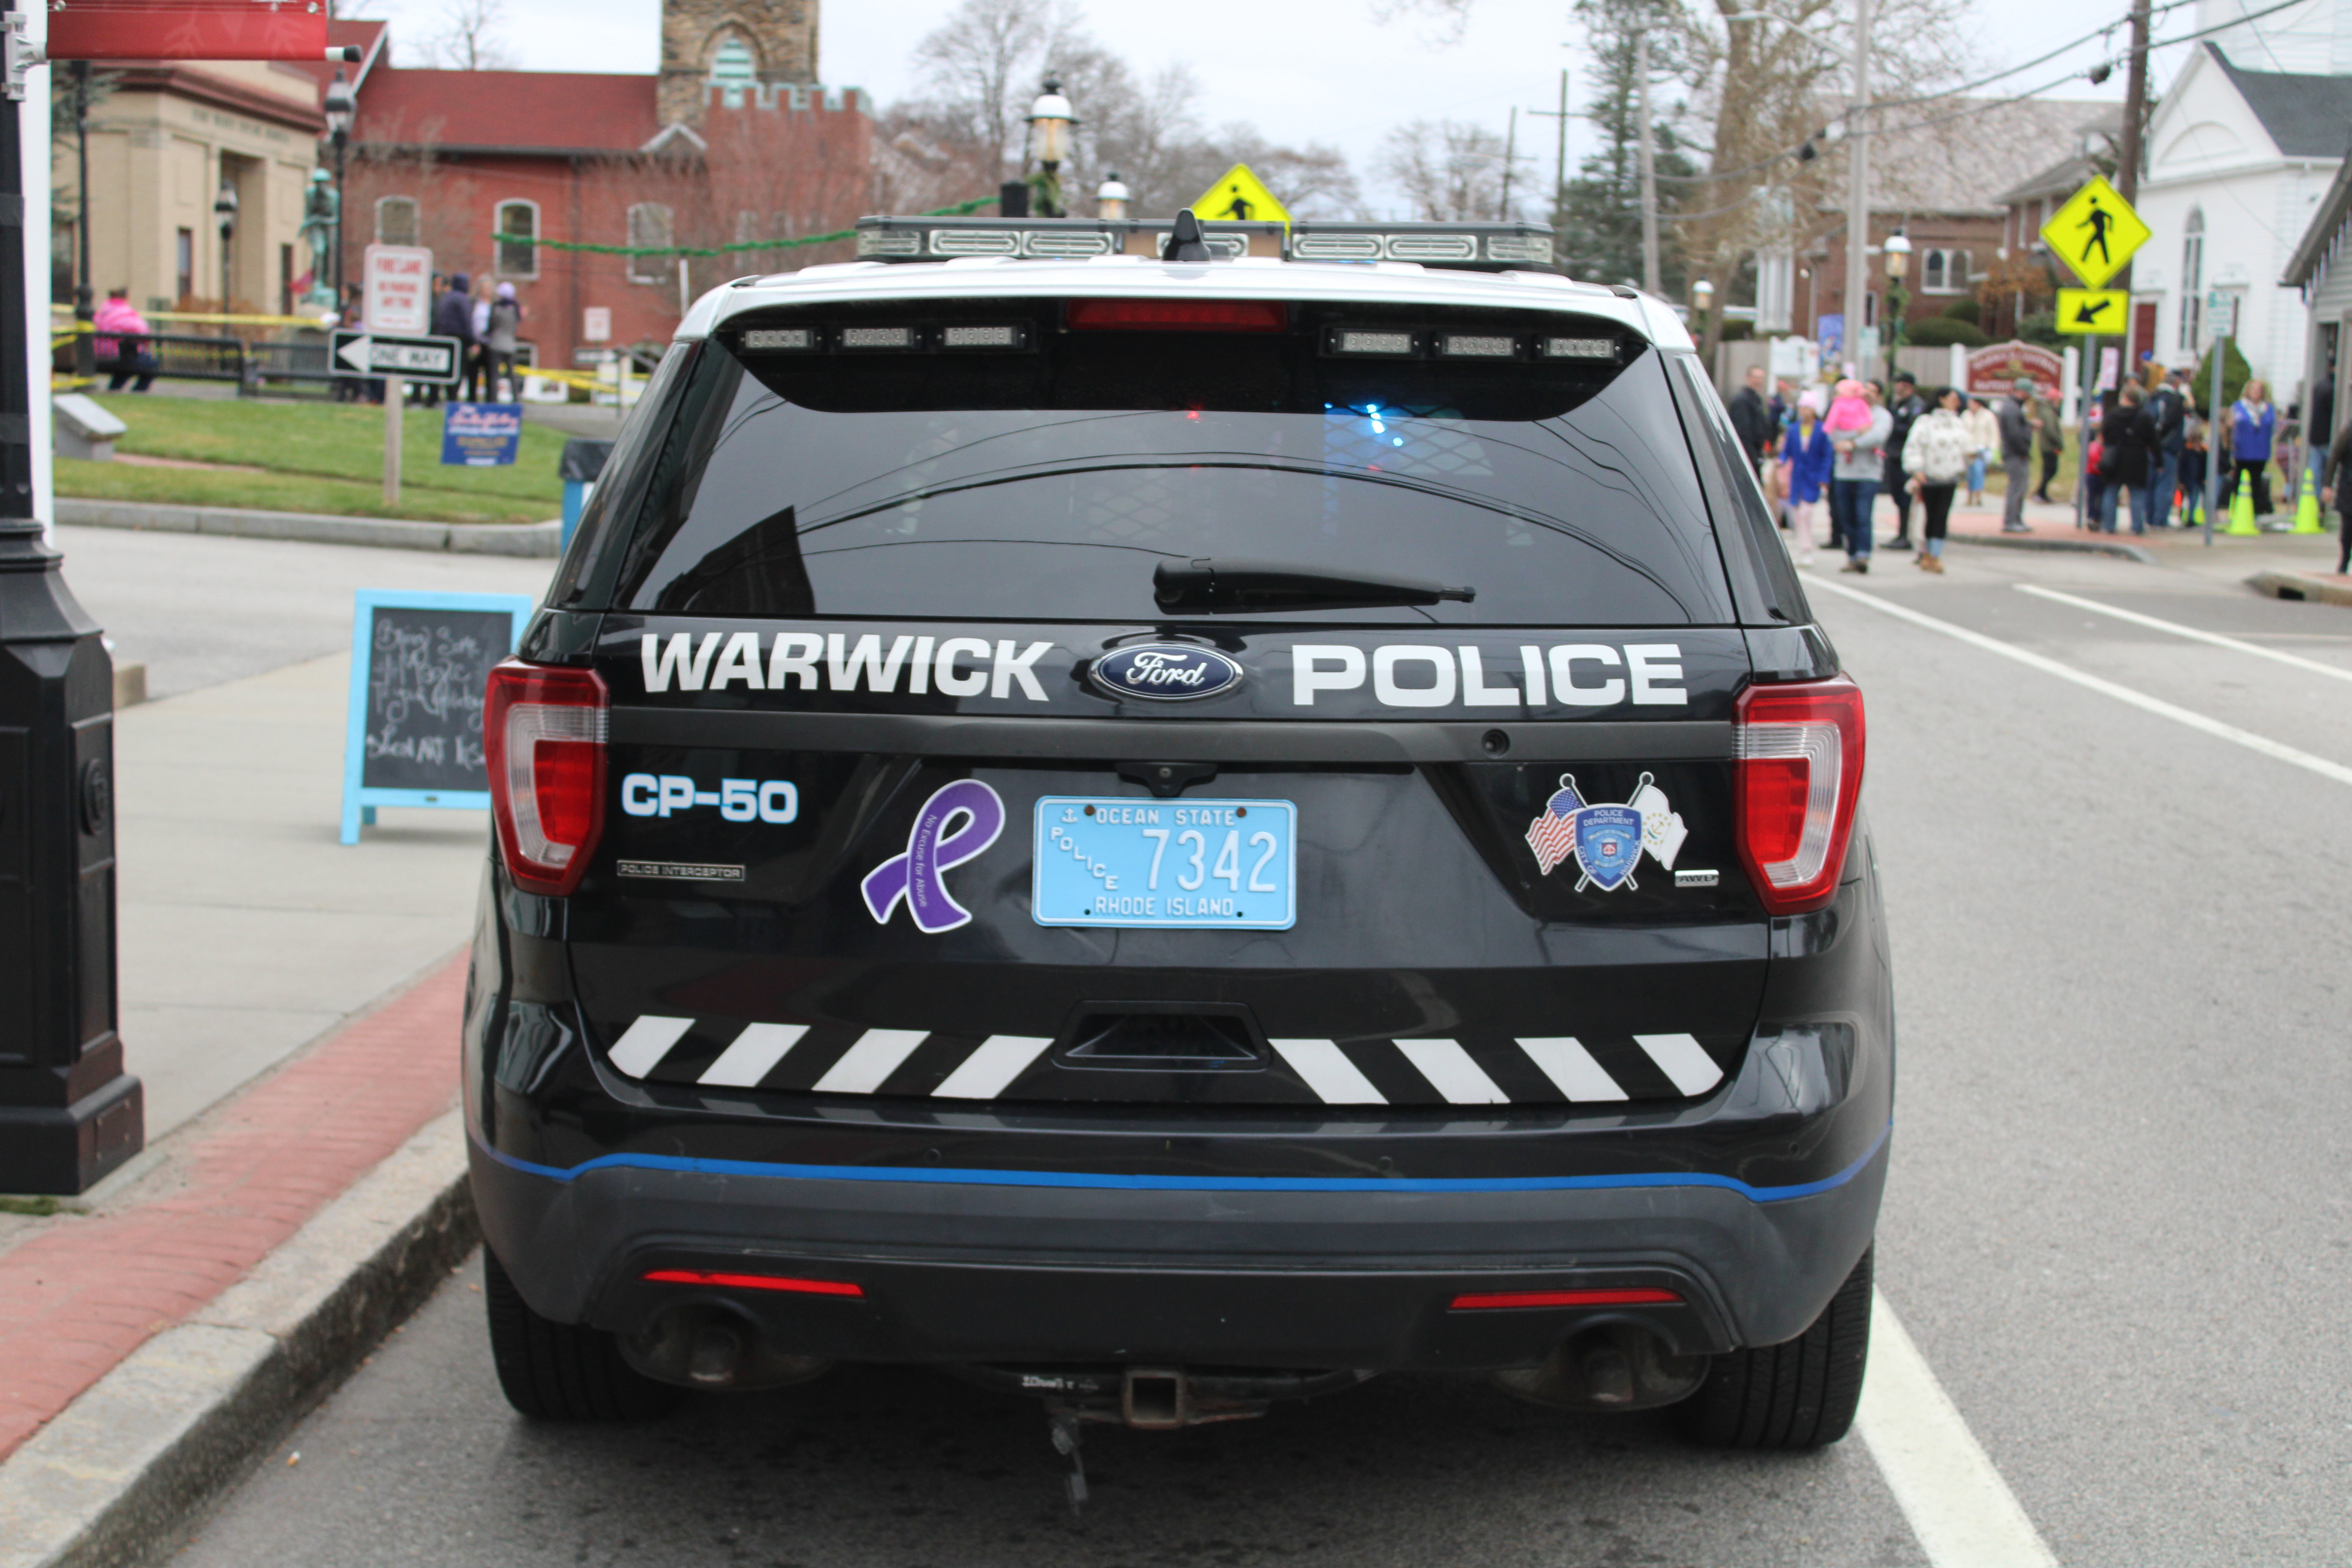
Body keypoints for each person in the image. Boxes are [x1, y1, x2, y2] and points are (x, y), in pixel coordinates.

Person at [1902, 385, 1971, 573]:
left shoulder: (1957, 423)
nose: (1957, 403)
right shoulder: (1926, 422)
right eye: (1953, 398)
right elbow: (1914, 445)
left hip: (1950, 476)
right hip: (1929, 476)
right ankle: (1925, 553)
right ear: (1942, 399)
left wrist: (1974, 457)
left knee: (1942, 516)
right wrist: (1916, 468)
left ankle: (1936, 554)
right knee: (1929, 515)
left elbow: (1966, 445)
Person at [1828, 378, 1891, 572]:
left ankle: (1864, 555)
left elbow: (1877, 436)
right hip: (1844, 472)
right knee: (1846, 516)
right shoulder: (1843, 409)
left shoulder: (1881, 416)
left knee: (1863, 515)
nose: (1868, 393)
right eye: (1865, 389)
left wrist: (1853, 444)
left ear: (1879, 395)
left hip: (1868, 473)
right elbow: (1833, 434)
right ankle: (1852, 555)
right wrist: (1857, 432)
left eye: (1873, 391)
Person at [1779, 391, 1832, 565]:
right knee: (1797, 514)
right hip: (1797, 477)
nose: (1804, 411)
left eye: (1807, 408)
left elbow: (1827, 456)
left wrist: (1824, 477)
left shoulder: (1822, 430)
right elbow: (1786, 451)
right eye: (1801, 407)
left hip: (1813, 477)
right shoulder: (1793, 429)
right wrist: (1781, 460)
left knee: (1806, 512)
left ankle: (1807, 549)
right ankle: (1802, 549)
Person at [2097, 381, 2157, 534]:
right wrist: (2159, 460)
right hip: (2137, 458)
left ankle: (2108, 525)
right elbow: (2153, 440)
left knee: (2111, 492)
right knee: (2137, 494)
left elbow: (2105, 434)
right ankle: (2137, 527)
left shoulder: (2113, 415)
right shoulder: (2144, 417)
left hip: (2115, 457)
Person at [1879, 372, 1926, 550]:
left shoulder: (1915, 405)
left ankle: (1906, 535)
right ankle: (1901, 533)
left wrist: (1894, 426)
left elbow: (1912, 430)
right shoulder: (1898, 404)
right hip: (1894, 457)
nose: (1896, 387)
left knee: (1906, 498)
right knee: (1898, 498)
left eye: (1899, 384)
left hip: (1904, 458)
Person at [2225, 378, 2277, 517]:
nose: (2256, 393)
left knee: (2256, 481)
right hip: (2242, 450)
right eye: (2254, 389)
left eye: (2259, 390)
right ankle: (2238, 510)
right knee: (2239, 480)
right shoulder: (2239, 406)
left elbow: (2273, 428)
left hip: (2260, 451)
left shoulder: (2268, 409)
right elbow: (2229, 426)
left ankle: (2255, 510)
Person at [92, 287, 158, 392]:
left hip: (97, 357)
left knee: (128, 363)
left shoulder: (99, 314)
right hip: (116, 358)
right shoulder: (126, 314)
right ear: (126, 298)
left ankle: (114, 390)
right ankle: (138, 392)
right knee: (151, 364)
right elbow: (144, 333)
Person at [428, 273, 478, 408]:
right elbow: (468, 322)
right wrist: (473, 341)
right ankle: (452, 400)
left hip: (443, 339)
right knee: (457, 372)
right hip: (459, 340)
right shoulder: (463, 300)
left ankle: (434, 399)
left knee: (442, 370)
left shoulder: (446, 298)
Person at [2147, 367, 2188, 527]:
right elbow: (2170, 423)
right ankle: (2160, 520)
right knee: (2164, 485)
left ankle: (2149, 517)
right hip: (2167, 448)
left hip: (2150, 447)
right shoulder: (2176, 400)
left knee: (2150, 483)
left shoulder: (2153, 397)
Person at [1996, 376, 2038, 532]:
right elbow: (2014, 434)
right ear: (2021, 392)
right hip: (2015, 454)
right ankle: (2011, 521)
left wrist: (2028, 425)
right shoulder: (2012, 409)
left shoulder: (2013, 407)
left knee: (2021, 487)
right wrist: (2023, 451)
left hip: (2015, 453)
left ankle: (2017, 519)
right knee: (2017, 488)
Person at [1728, 364, 1772, 474]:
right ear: (1748, 378)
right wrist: (1752, 459)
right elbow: (1743, 432)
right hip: (1748, 455)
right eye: (1755, 377)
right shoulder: (1742, 401)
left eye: (1761, 378)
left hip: (1756, 453)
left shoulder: (1756, 399)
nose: (1758, 381)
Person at [2323, 414, 2352, 574]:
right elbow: (2334, 457)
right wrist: (2328, 485)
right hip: (2349, 489)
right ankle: (2345, 560)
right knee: (2348, 530)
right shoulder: (2348, 432)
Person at [485, 283, 523, 399]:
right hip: (510, 345)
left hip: (496, 344)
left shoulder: (496, 307)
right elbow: (515, 327)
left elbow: (492, 325)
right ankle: (516, 398)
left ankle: (493, 399)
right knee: (512, 374)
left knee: (495, 375)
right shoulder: (516, 309)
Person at [1961, 391, 1998, 508]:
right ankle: (1969, 497)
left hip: (1981, 449)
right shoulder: (1965, 415)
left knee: (1978, 472)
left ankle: (1978, 497)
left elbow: (1994, 433)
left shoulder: (1988, 416)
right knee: (1969, 474)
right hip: (1968, 449)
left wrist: (1992, 449)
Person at [2179, 410, 2209, 528]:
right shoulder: (2188, 451)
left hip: (2197, 480)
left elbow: (2204, 466)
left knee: (2194, 499)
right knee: (2190, 499)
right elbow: (2183, 466)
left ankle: (2191, 518)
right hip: (2190, 480)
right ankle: (2188, 518)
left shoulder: (2202, 452)